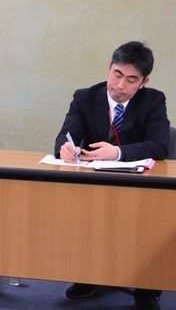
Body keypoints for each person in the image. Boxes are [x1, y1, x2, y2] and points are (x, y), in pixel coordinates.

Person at [55, 41, 168, 310]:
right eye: (117, 74)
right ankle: (89, 275)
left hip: (139, 186)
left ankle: (146, 287)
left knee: (148, 222)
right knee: (81, 215)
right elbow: (65, 135)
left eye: (131, 80)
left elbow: (160, 145)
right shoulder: (84, 97)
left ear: (144, 82)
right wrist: (66, 148)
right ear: (109, 68)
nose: (120, 85)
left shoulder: (154, 100)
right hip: (95, 185)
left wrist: (117, 153)